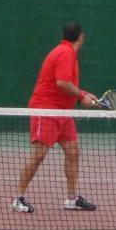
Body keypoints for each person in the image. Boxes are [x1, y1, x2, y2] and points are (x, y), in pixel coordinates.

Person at [11, 22, 99, 214]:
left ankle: (72, 198)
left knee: (73, 152)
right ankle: (17, 198)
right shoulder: (65, 53)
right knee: (38, 155)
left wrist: (82, 96)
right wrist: (82, 95)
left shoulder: (66, 52)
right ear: (81, 37)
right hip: (46, 111)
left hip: (64, 113)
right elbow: (62, 83)